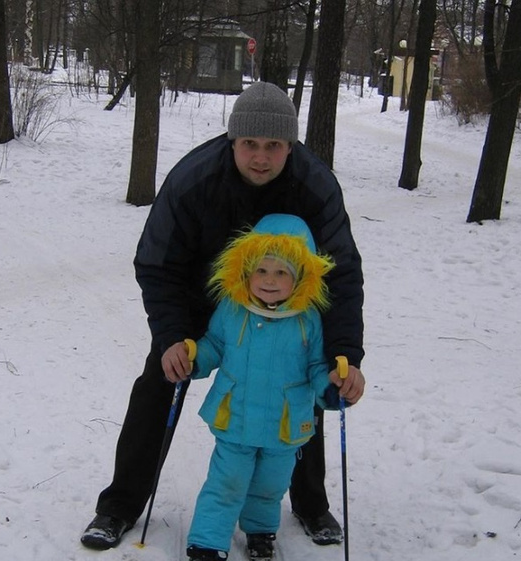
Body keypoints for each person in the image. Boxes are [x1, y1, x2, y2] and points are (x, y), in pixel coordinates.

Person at [81, 81, 366, 551]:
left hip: (285, 301)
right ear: (232, 140)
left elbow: (343, 276)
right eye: (249, 144)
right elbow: (157, 263)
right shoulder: (194, 179)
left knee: (304, 383)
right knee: (159, 382)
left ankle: (311, 503)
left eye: (273, 145)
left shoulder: (314, 187)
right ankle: (119, 506)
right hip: (200, 299)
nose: (260, 157)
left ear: (290, 146)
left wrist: (344, 354)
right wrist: (173, 336)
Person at [179, 213, 349, 561]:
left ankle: (259, 530)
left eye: (281, 272)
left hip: (284, 424)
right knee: (226, 483)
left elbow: (317, 365)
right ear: (246, 270)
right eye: (261, 270)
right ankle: (208, 542)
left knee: (270, 486)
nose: (269, 281)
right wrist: (195, 359)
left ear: (300, 277)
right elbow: (215, 344)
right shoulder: (232, 309)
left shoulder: (307, 319)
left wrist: (329, 387)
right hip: (236, 418)